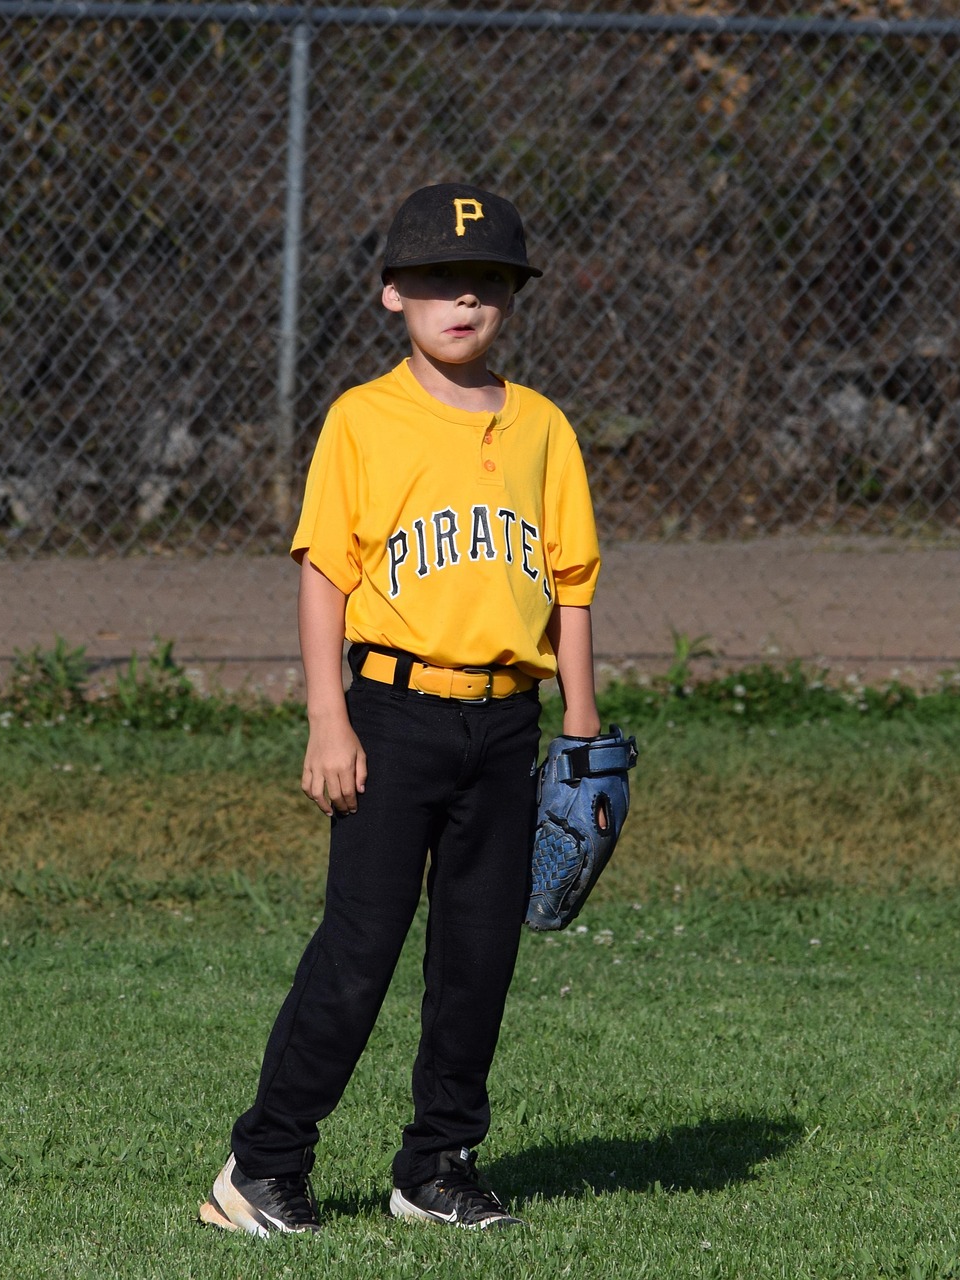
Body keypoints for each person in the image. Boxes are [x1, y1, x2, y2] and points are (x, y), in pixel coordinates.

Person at [199, 183, 602, 1235]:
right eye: (436, 280)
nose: (462, 299)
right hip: (391, 712)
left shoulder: (544, 428)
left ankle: (437, 1165)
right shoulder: (365, 419)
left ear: (511, 297)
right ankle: (263, 1164)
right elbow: (324, 574)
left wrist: (582, 732)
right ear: (391, 293)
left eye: (487, 282)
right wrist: (327, 720)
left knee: (479, 955)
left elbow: (572, 585)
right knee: (361, 945)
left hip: (508, 721)